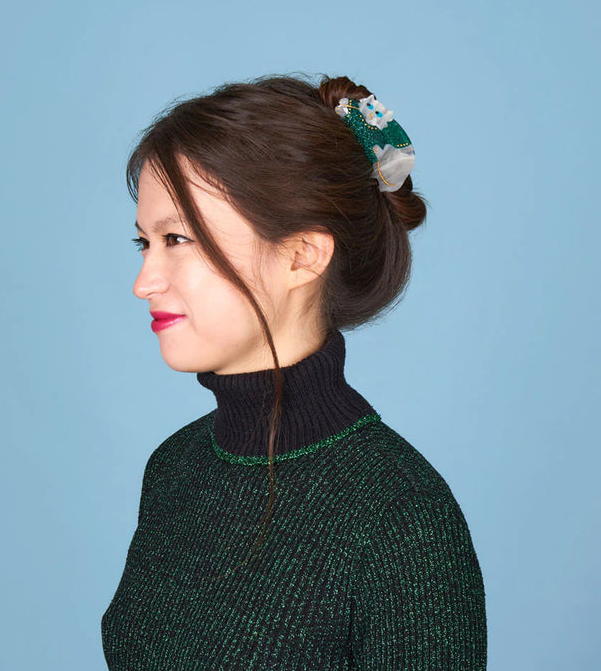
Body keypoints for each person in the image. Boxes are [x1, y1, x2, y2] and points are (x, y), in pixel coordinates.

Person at [101, 73, 487, 669]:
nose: (144, 282)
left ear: (303, 256)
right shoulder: (175, 468)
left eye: (176, 239)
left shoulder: (401, 519)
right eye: (143, 244)